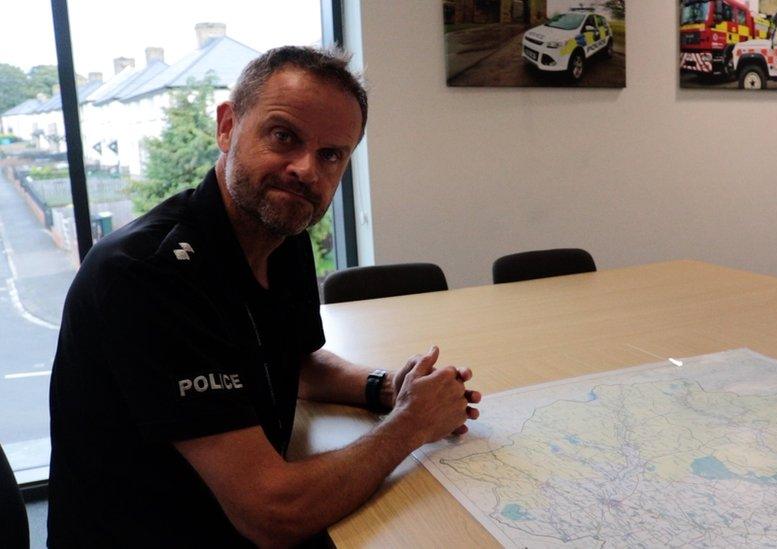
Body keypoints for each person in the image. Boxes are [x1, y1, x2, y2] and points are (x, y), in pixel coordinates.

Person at [47, 45, 480, 547]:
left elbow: (292, 363)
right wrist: (410, 424)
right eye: (284, 136)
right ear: (227, 126)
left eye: (331, 155)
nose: (305, 169)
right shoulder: (146, 274)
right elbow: (271, 513)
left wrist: (384, 388)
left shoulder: (282, 233)